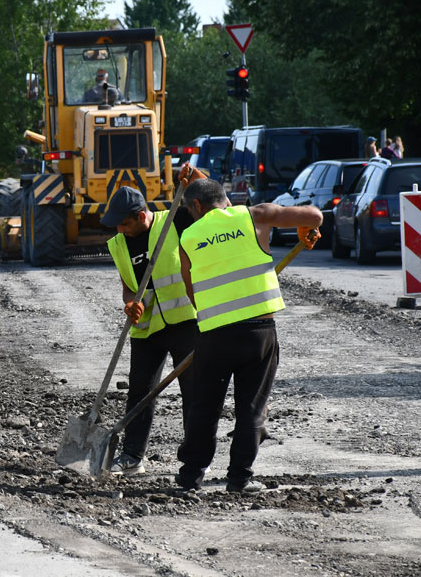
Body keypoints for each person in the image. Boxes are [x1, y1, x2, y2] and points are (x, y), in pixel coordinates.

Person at [174, 179, 322, 494]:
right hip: (259, 332)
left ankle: (190, 477)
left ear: (197, 206)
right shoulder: (255, 215)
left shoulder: (187, 237)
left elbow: (191, 290)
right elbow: (314, 216)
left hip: (214, 334)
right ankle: (239, 479)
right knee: (252, 409)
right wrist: (301, 230)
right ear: (225, 200)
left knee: (204, 407)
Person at [100, 164, 205, 475]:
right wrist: (130, 304)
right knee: (140, 391)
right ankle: (132, 457)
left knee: (194, 390)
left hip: (185, 322)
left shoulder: (176, 219)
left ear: (142, 215)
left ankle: (196, 458)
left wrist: (193, 174)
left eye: (125, 223)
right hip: (147, 329)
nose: (120, 230)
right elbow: (128, 288)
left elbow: (209, 195)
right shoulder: (118, 244)